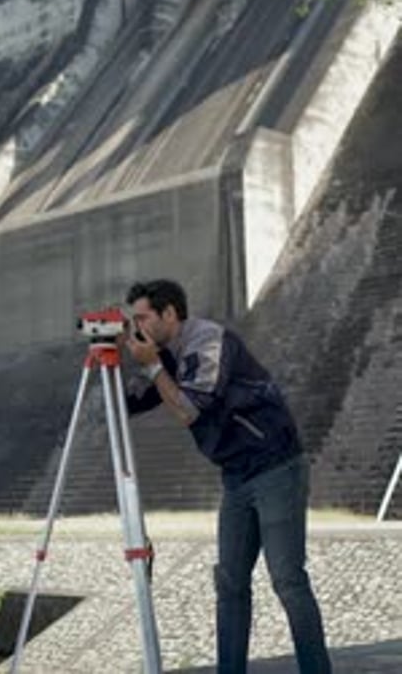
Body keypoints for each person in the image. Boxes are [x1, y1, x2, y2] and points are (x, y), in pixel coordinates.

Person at [124, 278, 332, 674]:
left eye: (143, 317)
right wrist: (116, 356)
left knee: (287, 578)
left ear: (169, 314)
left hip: (275, 465)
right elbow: (130, 403)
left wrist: (152, 365)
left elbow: (189, 409)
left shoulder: (208, 342)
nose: (139, 327)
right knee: (230, 582)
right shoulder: (166, 353)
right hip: (236, 476)